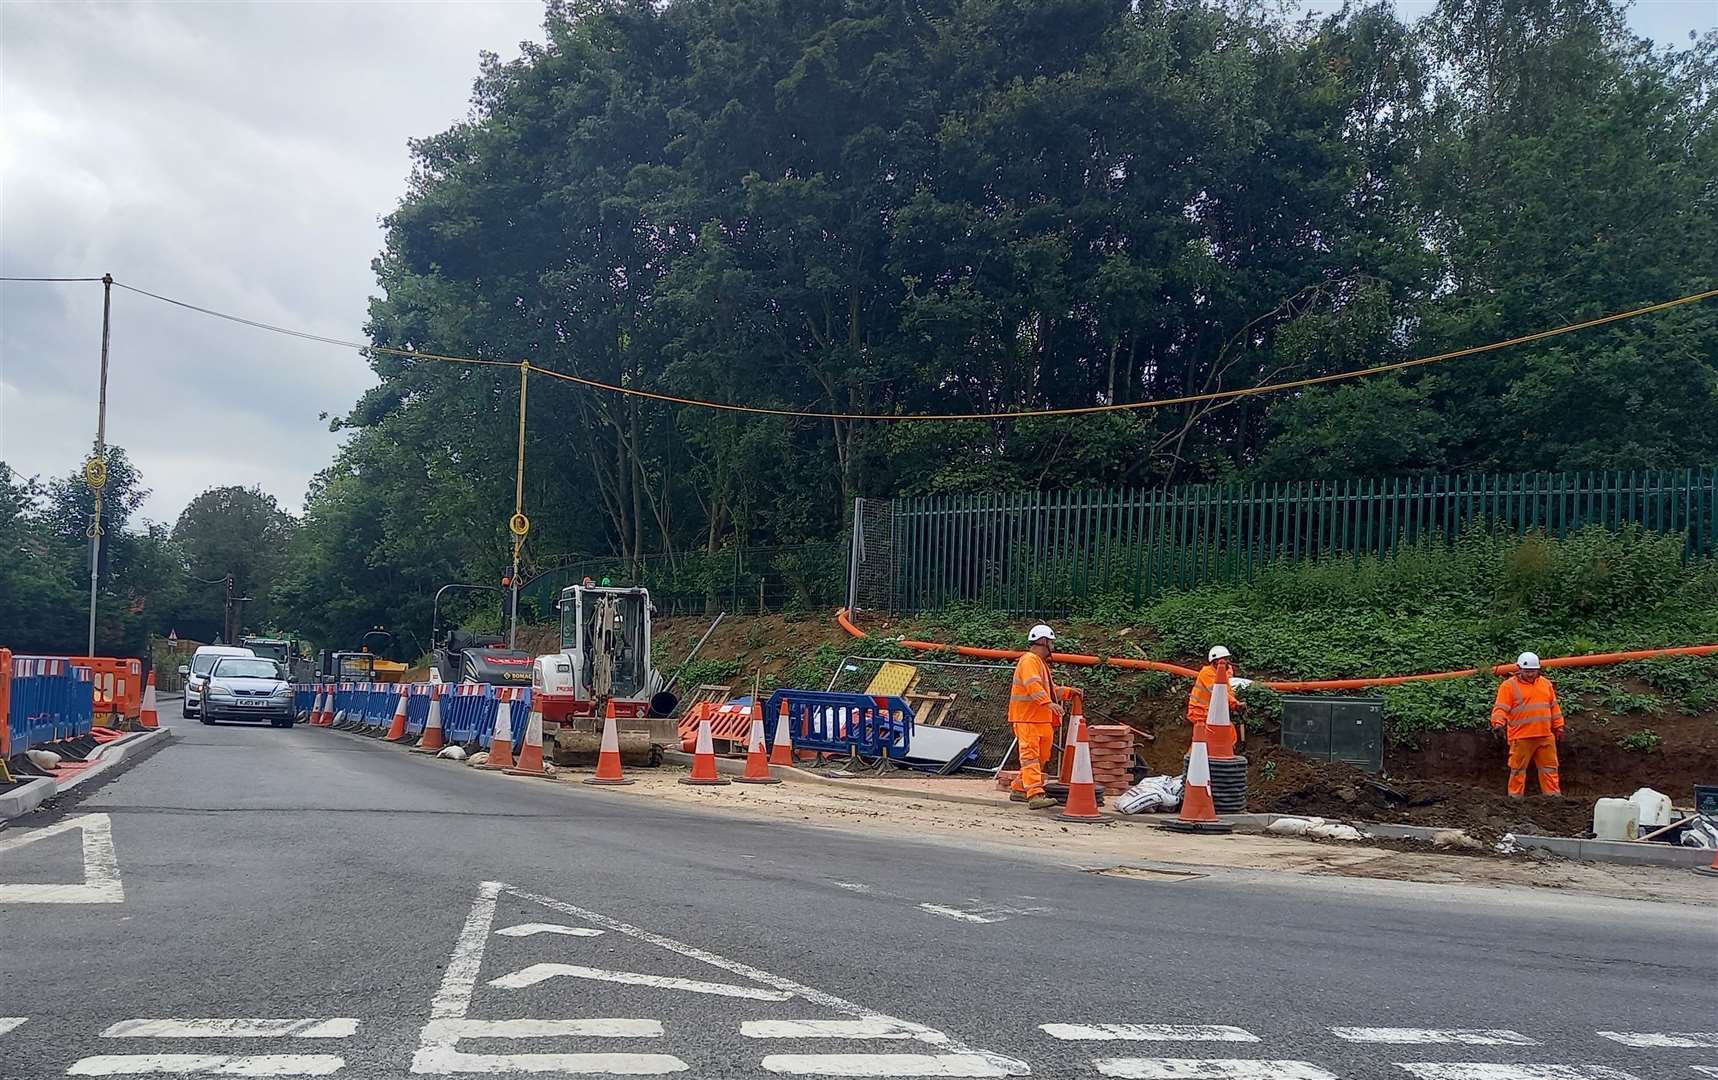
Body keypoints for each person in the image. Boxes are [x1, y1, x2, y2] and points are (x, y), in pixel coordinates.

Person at [1491, 652, 1565, 797]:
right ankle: (1515, 799)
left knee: (1550, 769)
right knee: (1517, 770)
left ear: (1538, 669)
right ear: (1519, 669)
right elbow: (1501, 707)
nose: (1530, 674)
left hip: (1545, 735)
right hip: (1521, 737)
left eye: (1533, 671)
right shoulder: (1508, 686)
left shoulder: (1545, 684)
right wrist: (1498, 724)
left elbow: (1554, 707)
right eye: (1527, 671)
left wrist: (1559, 726)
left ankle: (1553, 799)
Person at [1008, 624, 1064, 810]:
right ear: (1044, 641)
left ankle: (1019, 788)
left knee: (1040, 757)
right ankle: (1035, 795)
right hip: (1028, 718)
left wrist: (1069, 692)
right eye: (1052, 642)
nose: (1054, 646)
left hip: (1040, 718)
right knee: (1030, 756)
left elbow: (1049, 690)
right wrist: (1048, 704)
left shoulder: (1040, 663)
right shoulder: (1029, 660)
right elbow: (1033, 686)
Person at [1188, 646, 1246, 748]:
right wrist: (1235, 704)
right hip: (1199, 712)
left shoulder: (1222, 675)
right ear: (1215, 661)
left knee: (1227, 731)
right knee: (1203, 740)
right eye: (1224, 659)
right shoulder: (1207, 673)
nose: (1228, 662)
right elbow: (1219, 693)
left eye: (1227, 659)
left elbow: (1228, 693)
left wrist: (1235, 705)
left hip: (1209, 712)